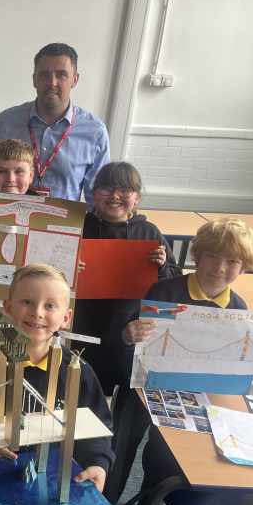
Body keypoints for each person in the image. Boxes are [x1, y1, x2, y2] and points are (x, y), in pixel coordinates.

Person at [120, 217, 253, 505]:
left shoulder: (238, 309)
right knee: (123, 450)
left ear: (246, 266)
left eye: (233, 261)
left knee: (170, 454)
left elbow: (239, 363)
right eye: (212, 256)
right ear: (197, 254)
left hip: (197, 399)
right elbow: (136, 346)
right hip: (148, 391)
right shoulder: (165, 291)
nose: (220, 267)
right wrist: (128, 335)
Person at [0, 263, 114, 490]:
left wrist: (98, 464)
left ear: (65, 318)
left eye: (50, 305)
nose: (37, 312)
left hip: (55, 478)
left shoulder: (79, 371)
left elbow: (98, 425)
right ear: (8, 307)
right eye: (27, 302)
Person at [72, 162, 181, 397]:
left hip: (128, 328)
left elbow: (174, 281)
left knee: (120, 390)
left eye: (125, 190)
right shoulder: (75, 227)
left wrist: (161, 267)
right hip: (81, 324)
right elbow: (47, 273)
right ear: (93, 194)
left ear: (137, 197)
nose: (115, 196)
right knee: (80, 387)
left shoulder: (150, 232)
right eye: (106, 188)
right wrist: (64, 270)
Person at [0, 43, 110, 207]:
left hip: (62, 228)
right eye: (44, 75)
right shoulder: (6, 122)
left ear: (75, 80)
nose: (52, 82)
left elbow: (97, 198)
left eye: (61, 75)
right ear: (34, 79)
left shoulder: (95, 132)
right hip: (5, 221)